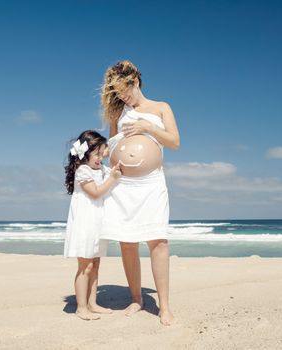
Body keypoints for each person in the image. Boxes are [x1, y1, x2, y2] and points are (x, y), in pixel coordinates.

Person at [100, 60, 180, 325]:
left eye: (124, 90)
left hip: (151, 184)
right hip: (124, 185)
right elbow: (110, 145)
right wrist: (115, 153)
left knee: (158, 241)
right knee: (127, 241)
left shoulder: (161, 107)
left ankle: (165, 306)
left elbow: (175, 142)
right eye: (117, 93)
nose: (121, 96)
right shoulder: (117, 113)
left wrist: (148, 128)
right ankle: (136, 298)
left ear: (135, 82)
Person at [63, 130, 122, 320]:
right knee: (85, 266)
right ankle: (81, 307)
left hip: (98, 223)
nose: (100, 157)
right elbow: (95, 193)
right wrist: (112, 179)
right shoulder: (83, 171)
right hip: (85, 223)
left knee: (95, 264)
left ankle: (93, 303)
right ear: (84, 154)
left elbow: (112, 154)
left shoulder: (101, 169)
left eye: (101, 153)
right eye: (96, 154)